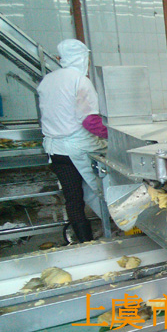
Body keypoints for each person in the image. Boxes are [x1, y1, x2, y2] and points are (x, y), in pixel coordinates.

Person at [37, 39, 108, 243]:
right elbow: (90, 121)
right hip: (78, 148)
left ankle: (85, 242)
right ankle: (117, 227)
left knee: (73, 198)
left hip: (56, 150)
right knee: (103, 190)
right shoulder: (80, 80)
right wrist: (113, 135)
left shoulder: (48, 79)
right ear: (83, 58)